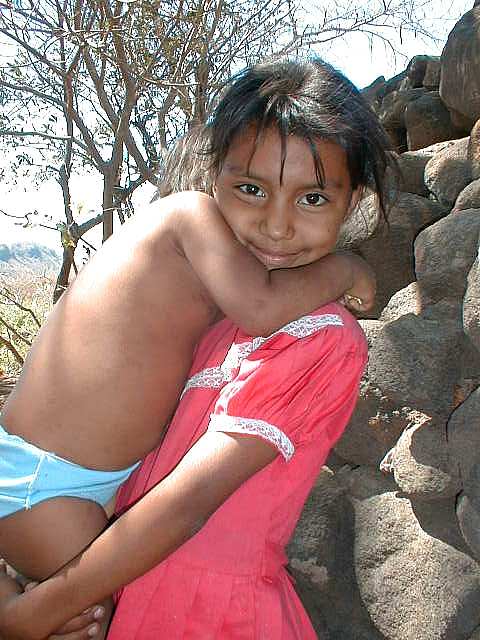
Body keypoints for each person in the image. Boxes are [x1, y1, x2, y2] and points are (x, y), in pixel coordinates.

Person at [0, 56, 392, 640]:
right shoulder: (187, 219)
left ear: (353, 201)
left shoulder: (221, 280)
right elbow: (263, 308)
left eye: (311, 199)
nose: (276, 226)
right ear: (213, 176)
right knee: (90, 616)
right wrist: (345, 269)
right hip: (47, 486)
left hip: (64, 486)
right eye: (251, 189)